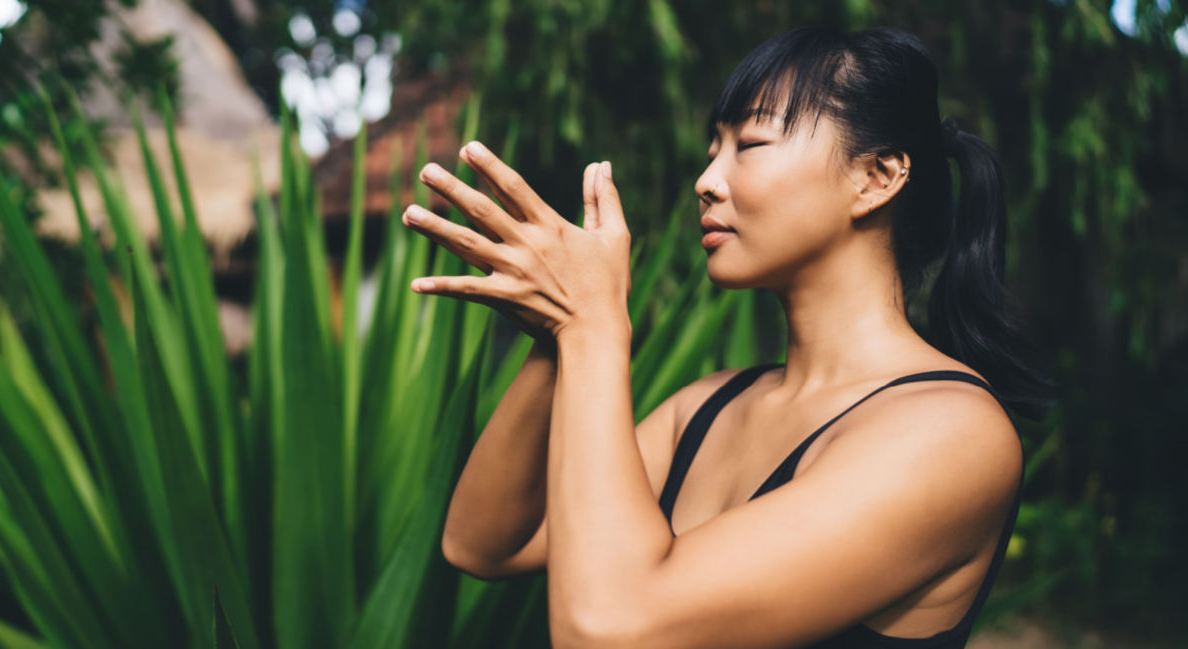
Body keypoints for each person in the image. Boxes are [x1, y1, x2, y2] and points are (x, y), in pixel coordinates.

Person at [408, 25, 1053, 649]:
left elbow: (611, 629)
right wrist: (557, 335)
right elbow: (482, 541)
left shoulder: (951, 434)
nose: (707, 180)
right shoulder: (705, 406)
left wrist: (593, 326)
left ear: (877, 177)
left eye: (750, 143)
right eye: (713, 148)